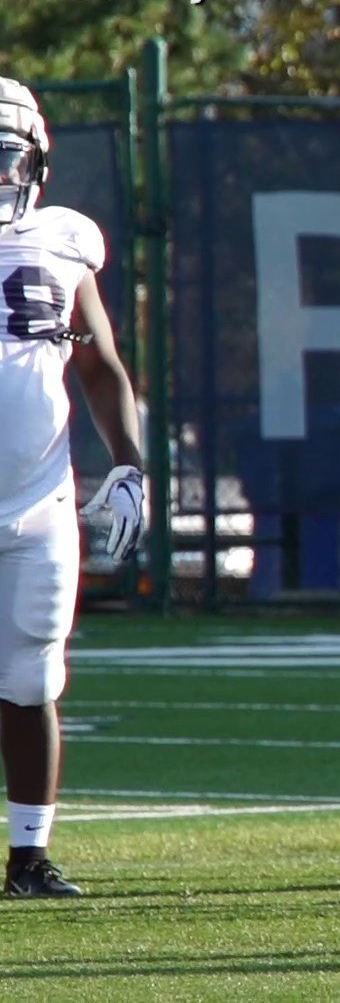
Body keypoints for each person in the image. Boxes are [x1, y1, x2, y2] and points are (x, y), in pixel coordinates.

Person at [0, 76, 145, 897]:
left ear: (36, 165)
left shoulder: (63, 240)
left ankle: (29, 857)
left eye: (1, 158)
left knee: (29, 677)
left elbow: (100, 365)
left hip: (38, 497)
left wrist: (129, 461)